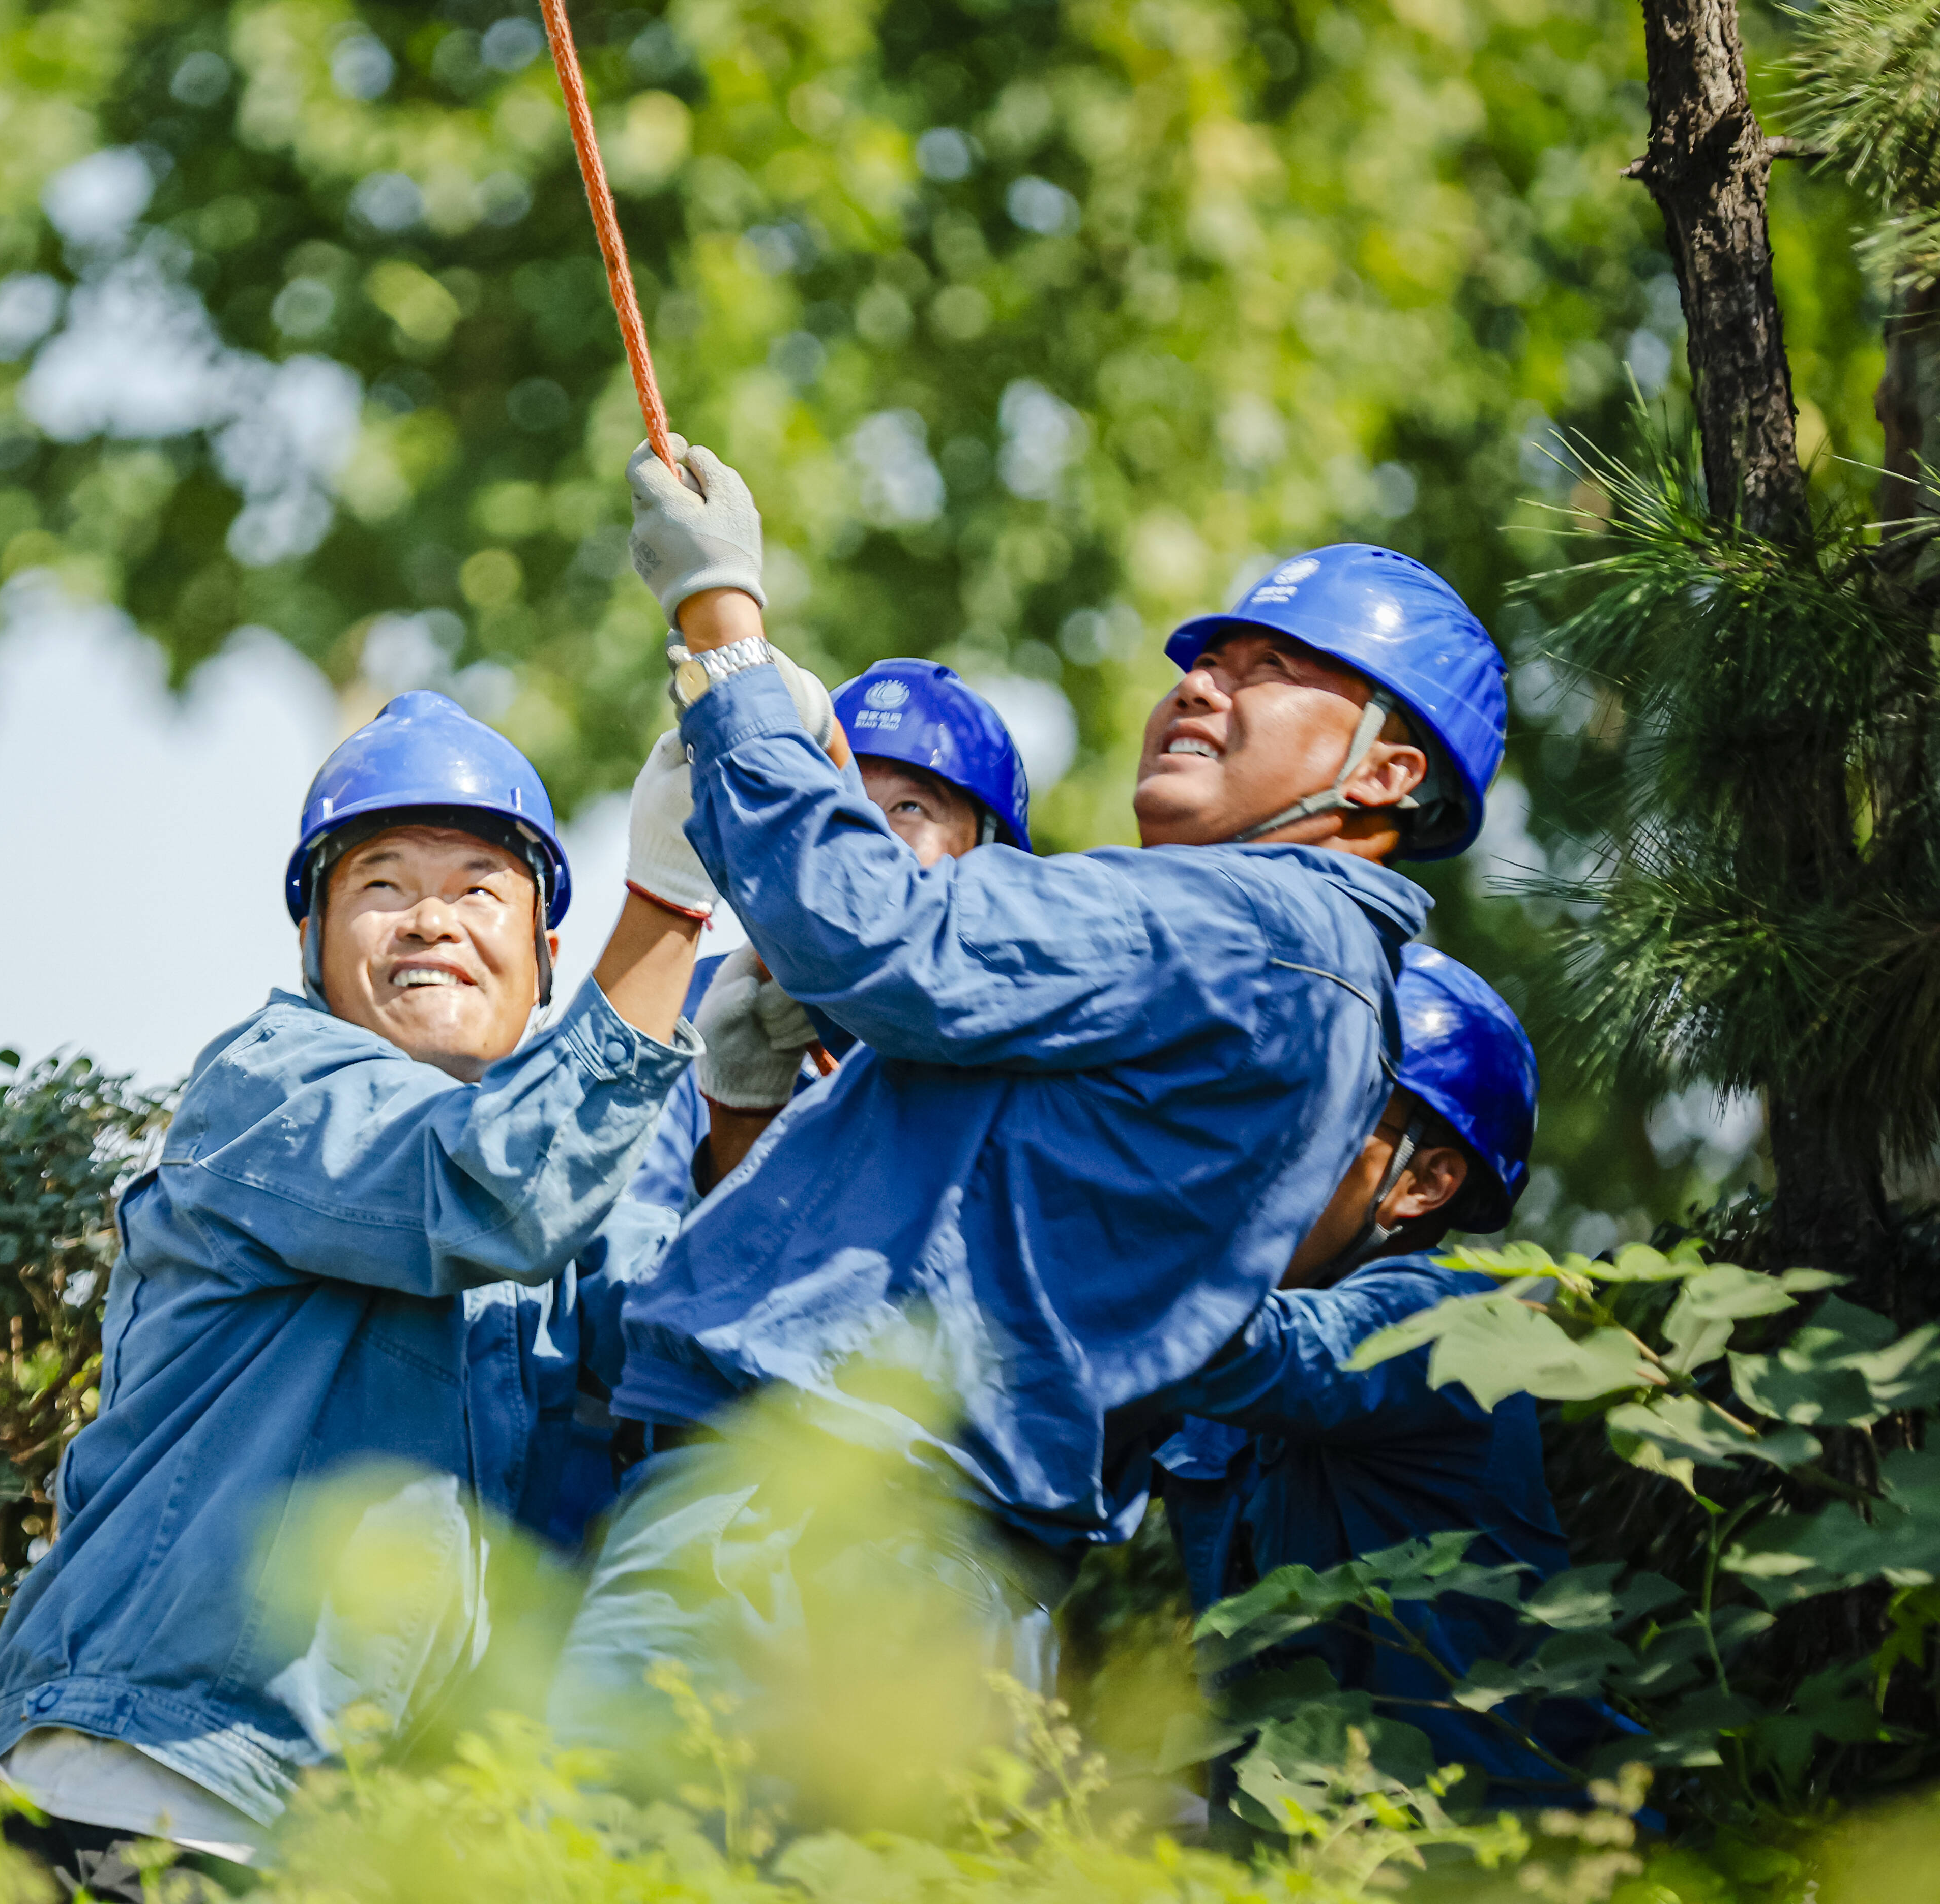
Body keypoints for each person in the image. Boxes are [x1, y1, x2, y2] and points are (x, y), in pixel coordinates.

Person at [549, 437, 1509, 1778]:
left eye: (1268, 669)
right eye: (1199, 661)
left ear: (1389, 774)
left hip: (813, 1534)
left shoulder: (1246, 927)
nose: (1199, 685)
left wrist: (725, 635)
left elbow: (865, 929)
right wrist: (750, 1109)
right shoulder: (1283, 966)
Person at [0, 683, 817, 1896]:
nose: (429, 917)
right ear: (315, 943)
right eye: (381, 883)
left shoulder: (548, 1180)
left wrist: (736, 1113)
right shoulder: (272, 1090)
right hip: (157, 1790)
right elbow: (491, 1186)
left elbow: (665, 1369)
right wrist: (670, 906)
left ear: (543, 965)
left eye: (480, 887)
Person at [1152, 944, 1624, 1813]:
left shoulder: (1438, 1321)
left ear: (1424, 1183)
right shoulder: (1221, 1360)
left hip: (1485, 1856)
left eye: (1314, 1108)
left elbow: (1261, 1354)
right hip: (1304, 1844)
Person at [623, 660, 1035, 1212]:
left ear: (989, 858)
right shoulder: (696, 1008)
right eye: (843, 803)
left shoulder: (1022, 1030)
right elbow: (629, 1273)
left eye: (910, 808)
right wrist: (737, 1117)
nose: (871, 833)